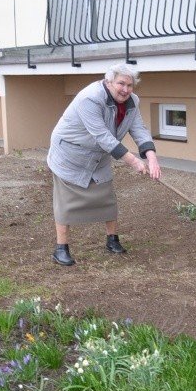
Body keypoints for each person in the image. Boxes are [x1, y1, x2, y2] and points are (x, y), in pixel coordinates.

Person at [46, 63, 162, 266]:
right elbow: (102, 136)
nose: (125, 89)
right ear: (109, 82)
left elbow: (139, 129)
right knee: (65, 203)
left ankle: (112, 240)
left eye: (130, 85)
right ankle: (61, 248)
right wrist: (134, 161)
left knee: (107, 198)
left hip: (99, 157)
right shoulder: (89, 98)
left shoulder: (132, 101)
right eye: (121, 83)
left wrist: (151, 157)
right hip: (71, 154)